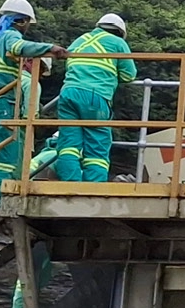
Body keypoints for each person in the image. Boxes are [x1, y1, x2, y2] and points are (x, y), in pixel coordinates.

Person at [0, 0, 64, 219]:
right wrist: (50, 48)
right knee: (3, 169)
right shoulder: (10, 35)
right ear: (21, 21)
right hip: (2, 107)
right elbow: (18, 47)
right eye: (27, 23)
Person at [56, 13, 136, 182]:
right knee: (97, 143)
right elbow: (129, 75)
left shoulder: (79, 40)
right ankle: (93, 185)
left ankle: (69, 182)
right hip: (95, 95)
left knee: (68, 143)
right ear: (120, 32)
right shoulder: (118, 43)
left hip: (68, 92)